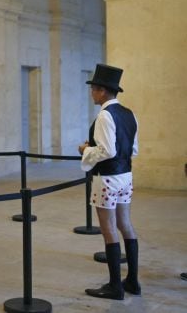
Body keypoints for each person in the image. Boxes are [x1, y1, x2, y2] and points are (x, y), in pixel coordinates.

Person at [78, 64, 140, 300]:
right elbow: (132, 149)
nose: (92, 93)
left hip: (107, 179)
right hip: (125, 176)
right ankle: (132, 281)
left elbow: (107, 150)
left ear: (102, 91)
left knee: (108, 229)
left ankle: (115, 286)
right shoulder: (129, 113)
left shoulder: (105, 115)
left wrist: (85, 149)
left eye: (93, 89)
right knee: (125, 224)